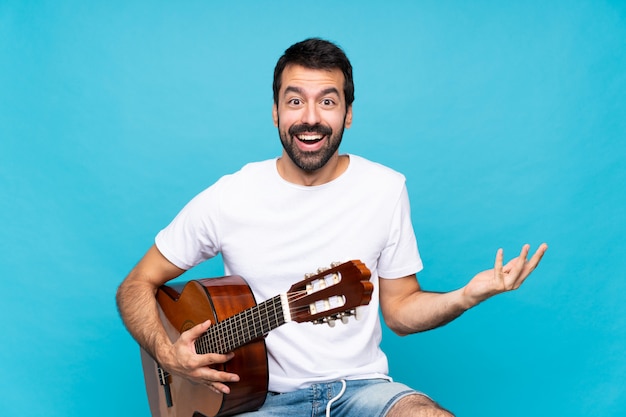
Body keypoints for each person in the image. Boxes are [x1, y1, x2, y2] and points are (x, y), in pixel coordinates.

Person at [116, 38, 548, 417]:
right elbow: (135, 285)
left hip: (361, 390)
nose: (310, 117)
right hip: (256, 401)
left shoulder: (385, 189)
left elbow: (399, 312)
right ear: (274, 112)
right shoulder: (229, 196)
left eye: (327, 101)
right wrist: (168, 355)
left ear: (348, 115)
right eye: (294, 100)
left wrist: (465, 296)